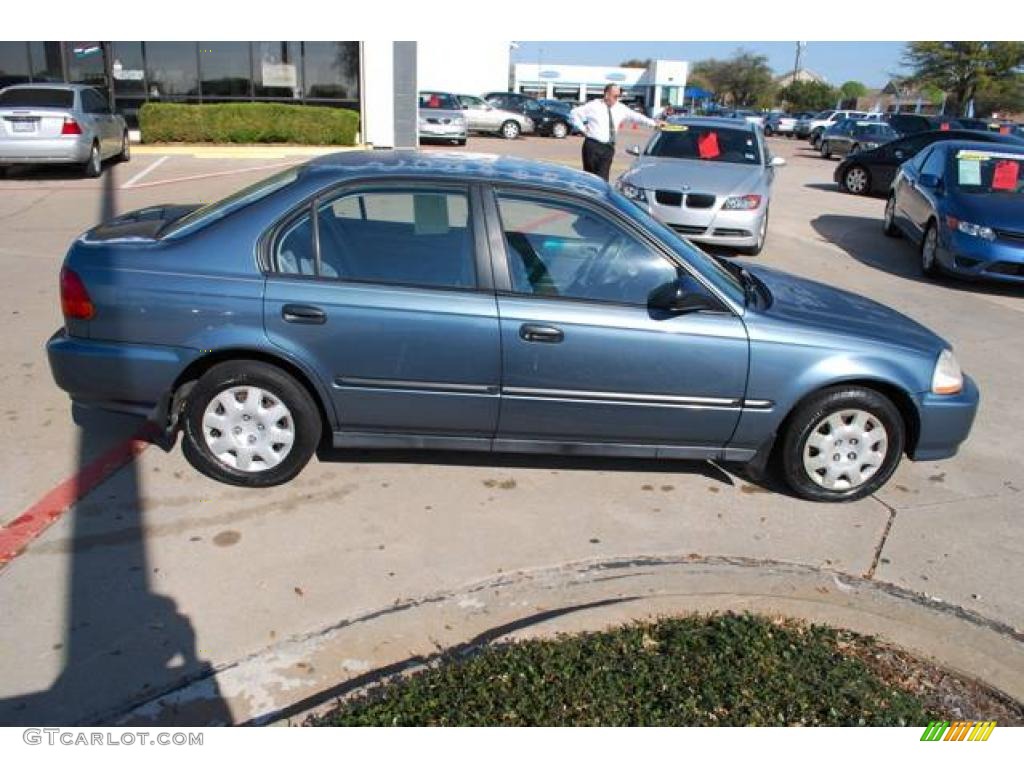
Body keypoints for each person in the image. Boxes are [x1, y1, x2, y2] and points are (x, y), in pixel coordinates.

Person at [569, 84, 663, 181]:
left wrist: (653, 123)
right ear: (606, 95)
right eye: (615, 96)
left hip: (608, 148)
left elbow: (636, 117)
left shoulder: (620, 108)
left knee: (603, 179)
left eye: (618, 96)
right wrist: (583, 129)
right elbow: (574, 113)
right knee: (590, 178)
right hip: (593, 146)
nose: (617, 99)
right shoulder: (594, 106)